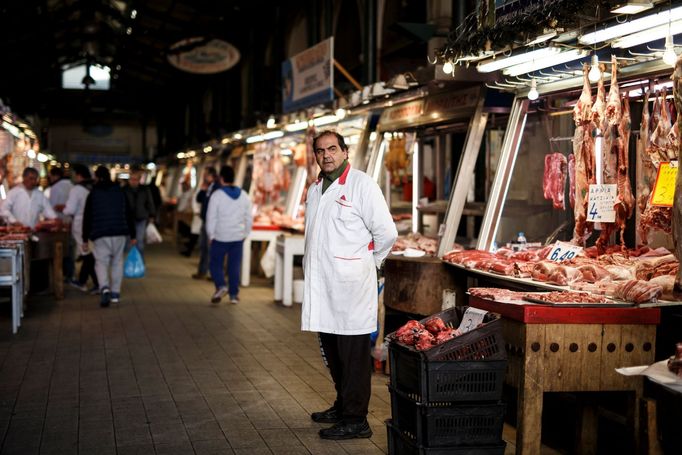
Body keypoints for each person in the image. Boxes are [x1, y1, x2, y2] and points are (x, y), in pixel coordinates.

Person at [302, 131, 397, 440]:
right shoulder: (316, 189)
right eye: (320, 150)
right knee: (332, 351)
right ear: (315, 155)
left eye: (332, 149)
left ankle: (356, 419)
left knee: (353, 355)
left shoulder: (362, 186)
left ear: (344, 152)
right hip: (325, 286)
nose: (326, 155)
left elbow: (386, 233)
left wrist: (368, 264)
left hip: (351, 287)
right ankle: (343, 404)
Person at [82, 166, 136, 307]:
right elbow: (128, 213)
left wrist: (84, 238)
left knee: (101, 262)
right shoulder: (120, 191)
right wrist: (133, 234)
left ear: (98, 177)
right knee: (117, 261)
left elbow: (87, 217)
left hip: (100, 233)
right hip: (119, 232)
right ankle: (115, 293)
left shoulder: (93, 193)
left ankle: (104, 287)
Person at [205, 165, 252, 304]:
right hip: (237, 237)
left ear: (221, 178)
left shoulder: (217, 195)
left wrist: (210, 235)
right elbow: (249, 217)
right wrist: (245, 233)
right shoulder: (244, 195)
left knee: (215, 264)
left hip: (220, 236)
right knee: (234, 266)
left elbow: (211, 217)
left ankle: (221, 286)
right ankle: (233, 295)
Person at [63, 164, 98, 293]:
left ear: (78, 175)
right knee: (89, 253)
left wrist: (64, 209)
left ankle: (95, 283)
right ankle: (85, 281)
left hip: (81, 224)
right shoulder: (92, 186)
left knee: (87, 254)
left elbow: (70, 209)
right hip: (93, 224)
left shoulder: (77, 189)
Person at [192, 167, 219, 279]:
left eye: (206, 175)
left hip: (212, 221)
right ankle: (202, 271)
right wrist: (202, 190)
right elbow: (199, 199)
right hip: (205, 220)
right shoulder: (207, 187)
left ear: (211, 176)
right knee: (203, 247)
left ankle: (212, 273)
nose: (204, 177)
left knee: (210, 248)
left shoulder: (217, 188)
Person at [124, 169, 156, 255]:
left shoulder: (145, 190)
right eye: (131, 179)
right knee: (128, 241)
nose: (133, 181)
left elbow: (150, 203)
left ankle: (139, 262)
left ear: (139, 180)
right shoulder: (124, 190)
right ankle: (129, 262)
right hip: (127, 219)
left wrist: (152, 215)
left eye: (135, 179)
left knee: (139, 241)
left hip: (141, 218)